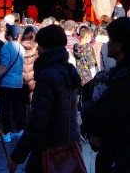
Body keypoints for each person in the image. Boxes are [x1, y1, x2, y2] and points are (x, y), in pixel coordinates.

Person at [81, 17, 130, 173]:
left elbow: (100, 117)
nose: (107, 44)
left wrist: (89, 105)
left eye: (111, 40)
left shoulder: (123, 82)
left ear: (118, 46)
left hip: (123, 156)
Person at [8, 24, 82, 173]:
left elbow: (37, 121)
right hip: (69, 141)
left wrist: (17, 156)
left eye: (39, 44)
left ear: (45, 47)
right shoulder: (68, 70)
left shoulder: (47, 75)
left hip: (49, 146)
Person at [0, 23, 26, 143]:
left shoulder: (6, 47)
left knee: (6, 108)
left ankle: (6, 133)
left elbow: (3, 66)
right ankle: (19, 130)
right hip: (18, 81)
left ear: (8, 35)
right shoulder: (21, 47)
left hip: (7, 82)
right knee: (19, 108)